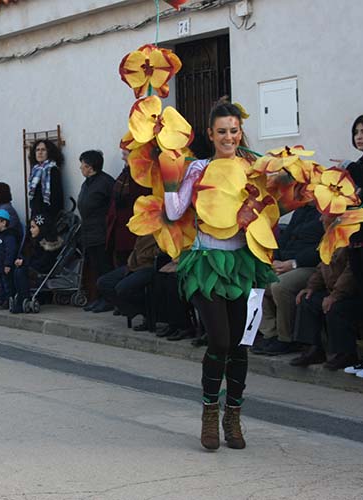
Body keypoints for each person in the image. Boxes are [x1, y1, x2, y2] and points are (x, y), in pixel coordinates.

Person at [164, 100, 277, 450]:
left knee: (241, 345)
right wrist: (170, 173)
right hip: (205, 262)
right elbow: (174, 210)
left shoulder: (253, 167)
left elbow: (270, 211)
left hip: (242, 263)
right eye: (222, 131)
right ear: (210, 134)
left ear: (239, 132)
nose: (229, 136)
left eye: (234, 130)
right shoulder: (198, 167)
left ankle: (234, 416)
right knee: (220, 340)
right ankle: (210, 413)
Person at [252, 202, 324, 355]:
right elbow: (283, 240)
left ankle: (287, 338)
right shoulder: (301, 210)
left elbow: (323, 248)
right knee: (257, 281)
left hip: (309, 266)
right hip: (285, 263)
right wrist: (276, 261)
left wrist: (293, 263)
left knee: (280, 286)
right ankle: (270, 333)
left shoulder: (328, 212)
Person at [342, 114, 363, 379]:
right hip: (357, 240)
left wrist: (353, 170)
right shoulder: (361, 164)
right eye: (356, 132)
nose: (359, 137)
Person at [290, 246, 359, 370]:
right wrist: (311, 286)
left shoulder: (349, 236)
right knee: (307, 299)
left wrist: (336, 294)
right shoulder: (329, 238)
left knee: (335, 307)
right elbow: (322, 266)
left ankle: (345, 353)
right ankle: (313, 348)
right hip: (333, 289)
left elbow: (351, 272)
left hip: (351, 292)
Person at [77, 150, 115, 312]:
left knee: (104, 266)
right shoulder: (87, 183)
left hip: (101, 231)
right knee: (94, 267)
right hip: (88, 232)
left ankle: (109, 299)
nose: (80, 168)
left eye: (83, 164)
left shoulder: (105, 182)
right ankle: (98, 298)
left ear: (90, 166)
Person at [10, 213, 63, 313]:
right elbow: (28, 256)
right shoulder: (34, 241)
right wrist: (21, 260)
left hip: (43, 268)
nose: (31, 230)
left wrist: (25, 262)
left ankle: (24, 298)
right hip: (33, 266)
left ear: (41, 228)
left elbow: (44, 262)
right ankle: (20, 297)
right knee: (17, 269)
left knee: (21, 271)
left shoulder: (49, 244)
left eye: (33, 227)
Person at [94, 234, 159, 315]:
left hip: (150, 265)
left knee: (122, 288)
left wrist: (145, 255)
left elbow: (163, 251)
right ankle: (132, 310)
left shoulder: (164, 229)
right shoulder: (143, 227)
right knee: (104, 282)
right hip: (134, 264)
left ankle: (147, 312)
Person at [27, 139, 64, 231]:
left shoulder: (52, 170)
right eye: (37, 150)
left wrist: (46, 217)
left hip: (48, 216)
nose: (40, 153)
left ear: (49, 152)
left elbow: (56, 197)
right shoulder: (35, 170)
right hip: (35, 214)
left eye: (43, 150)